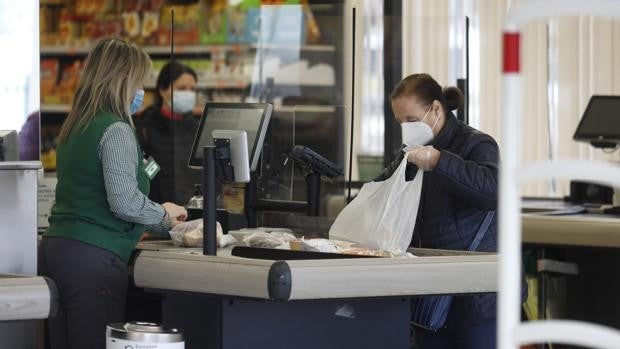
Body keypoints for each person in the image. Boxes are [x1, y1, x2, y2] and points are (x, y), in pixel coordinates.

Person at [38, 38, 187, 349]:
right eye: (138, 82)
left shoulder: (76, 126)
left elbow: (92, 195)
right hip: (93, 260)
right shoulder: (116, 129)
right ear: (121, 80)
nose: (141, 91)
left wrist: (143, 225)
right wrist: (166, 218)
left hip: (59, 250)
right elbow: (124, 202)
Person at [375, 73, 500, 349]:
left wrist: (439, 162)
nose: (405, 128)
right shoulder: (409, 151)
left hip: (480, 300)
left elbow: (493, 190)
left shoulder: (477, 144)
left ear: (436, 109)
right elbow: (382, 188)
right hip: (432, 294)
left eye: (411, 120)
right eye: (400, 122)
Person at [134, 61, 203, 205]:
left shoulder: (198, 128)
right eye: (182, 88)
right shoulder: (144, 127)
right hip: (158, 210)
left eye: (192, 89)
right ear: (163, 90)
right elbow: (144, 167)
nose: (189, 93)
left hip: (192, 209)